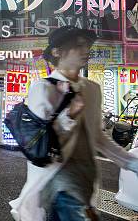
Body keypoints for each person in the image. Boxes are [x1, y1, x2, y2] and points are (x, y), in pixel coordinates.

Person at [10, 26, 138, 221]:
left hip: (86, 177)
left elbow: (98, 138)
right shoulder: (43, 88)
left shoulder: (92, 89)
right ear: (57, 51)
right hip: (57, 180)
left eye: (87, 45)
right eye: (78, 45)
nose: (86, 50)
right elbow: (40, 140)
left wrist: (131, 163)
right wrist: (68, 115)